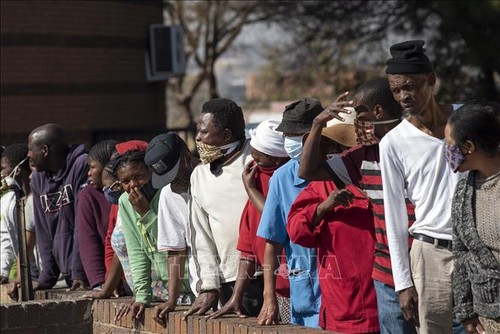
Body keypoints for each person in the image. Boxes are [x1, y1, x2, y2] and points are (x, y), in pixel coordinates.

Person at [299, 78, 417, 333]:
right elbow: (307, 171)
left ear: (377, 112)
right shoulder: (363, 156)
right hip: (387, 273)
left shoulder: (419, 146)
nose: (356, 121)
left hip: (424, 264)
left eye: (359, 112)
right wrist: (319, 123)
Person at [379, 40, 465, 333]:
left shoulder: (467, 120)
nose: (403, 96)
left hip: (478, 250)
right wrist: (403, 283)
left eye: (410, 86)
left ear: (430, 80)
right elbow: (394, 217)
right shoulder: (393, 143)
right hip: (430, 254)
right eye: (396, 90)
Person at [256, 98, 351, 328]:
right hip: (307, 294)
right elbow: (272, 242)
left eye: (294, 137)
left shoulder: (346, 168)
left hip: (346, 292)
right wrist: (269, 298)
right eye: (286, 137)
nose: (289, 143)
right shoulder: (282, 178)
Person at [183, 98, 262, 319]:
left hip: (268, 274)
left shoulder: (257, 160)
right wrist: (208, 286)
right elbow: (200, 236)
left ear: (226, 135)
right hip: (230, 279)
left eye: (204, 132)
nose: (197, 138)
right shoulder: (199, 175)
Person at [207, 120, 290, 321]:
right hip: (276, 290)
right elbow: (248, 252)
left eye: (259, 160)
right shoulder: (254, 180)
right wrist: (236, 296)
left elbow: (280, 221)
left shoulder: (288, 180)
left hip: (299, 286)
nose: (252, 166)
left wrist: (251, 190)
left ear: (277, 159)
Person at [111, 145, 191, 321]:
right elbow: (136, 250)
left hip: (190, 278)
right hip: (167, 283)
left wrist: (146, 214)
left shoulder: (167, 192)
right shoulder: (126, 201)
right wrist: (141, 296)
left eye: (138, 176)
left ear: (151, 171)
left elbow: (172, 241)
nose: (133, 185)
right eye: (125, 181)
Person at [445, 101, 500, 334]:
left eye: (449, 145)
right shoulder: (463, 191)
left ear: (468, 146)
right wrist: (467, 312)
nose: (446, 152)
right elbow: (462, 252)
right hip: (488, 318)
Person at [143, 132, 198, 327]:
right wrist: (171, 299)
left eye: (174, 175)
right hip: (201, 288)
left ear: (186, 159)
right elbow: (176, 251)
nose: (172, 182)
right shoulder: (168, 195)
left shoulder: (213, 178)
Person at [28, 123, 89, 290]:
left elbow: (82, 224)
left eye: (31, 150)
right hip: (69, 274)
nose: (28, 155)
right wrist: (47, 277)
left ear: (45, 150)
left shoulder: (81, 165)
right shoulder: (37, 179)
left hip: (88, 272)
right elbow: (43, 232)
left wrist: (79, 271)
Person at [77, 139, 117, 289]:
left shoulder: (127, 191)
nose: (88, 174)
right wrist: (100, 282)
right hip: (107, 280)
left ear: (108, 168)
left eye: (93, 168)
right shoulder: (88, 195)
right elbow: (88, 241)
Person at [1, 144, 33, 284]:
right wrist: (3, 270)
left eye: (3, 169)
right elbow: (7, 236)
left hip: (46, 275)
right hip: (25, 273)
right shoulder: (8, 201)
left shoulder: (36, 199)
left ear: (17, 170)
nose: (2, 174)